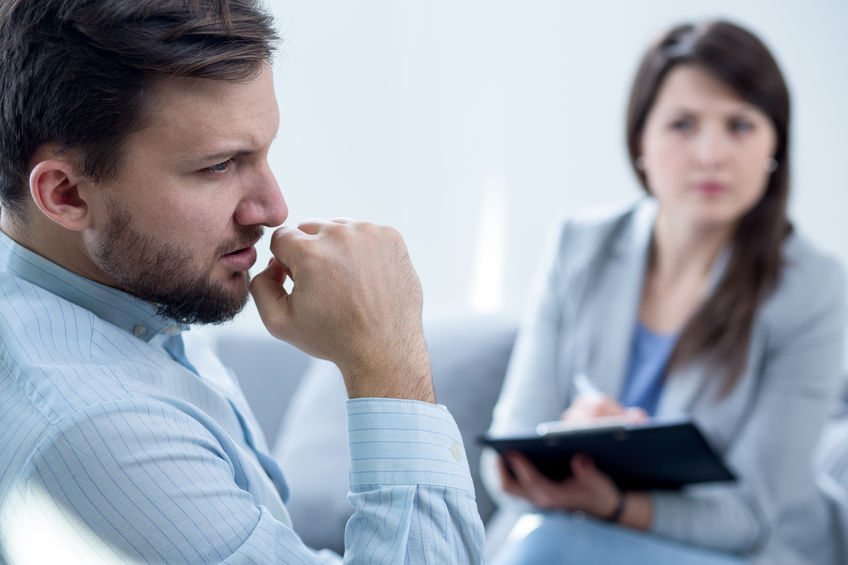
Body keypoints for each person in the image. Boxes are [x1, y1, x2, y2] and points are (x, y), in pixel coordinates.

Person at [0, 1, 485, 563]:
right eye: (219, 166)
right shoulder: (99, 428)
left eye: (264, 151)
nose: (273, 208)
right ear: (67, 194)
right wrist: (389, 365)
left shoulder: (136, 297)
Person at [482, 20, 846, 565]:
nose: (710, 154)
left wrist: (614, 503)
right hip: (566, 531)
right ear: (641, 143)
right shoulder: (578, 247)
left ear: (775, 146)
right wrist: (559, 448)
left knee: (543, 546)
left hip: (742, 550)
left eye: (740, 126)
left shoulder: (811, 287)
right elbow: (502, 458)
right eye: (682, 124)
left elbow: (748, 516)